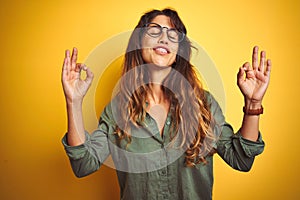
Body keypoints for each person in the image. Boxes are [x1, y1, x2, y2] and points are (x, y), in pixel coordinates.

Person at [61, 8, 271, 200]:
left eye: (173, 35)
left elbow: (241, 160)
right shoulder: (117, 111)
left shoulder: (203, 104)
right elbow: (83, 164)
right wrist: (74, 101)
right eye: (154, 31)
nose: (164, 38)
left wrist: (253, 104)